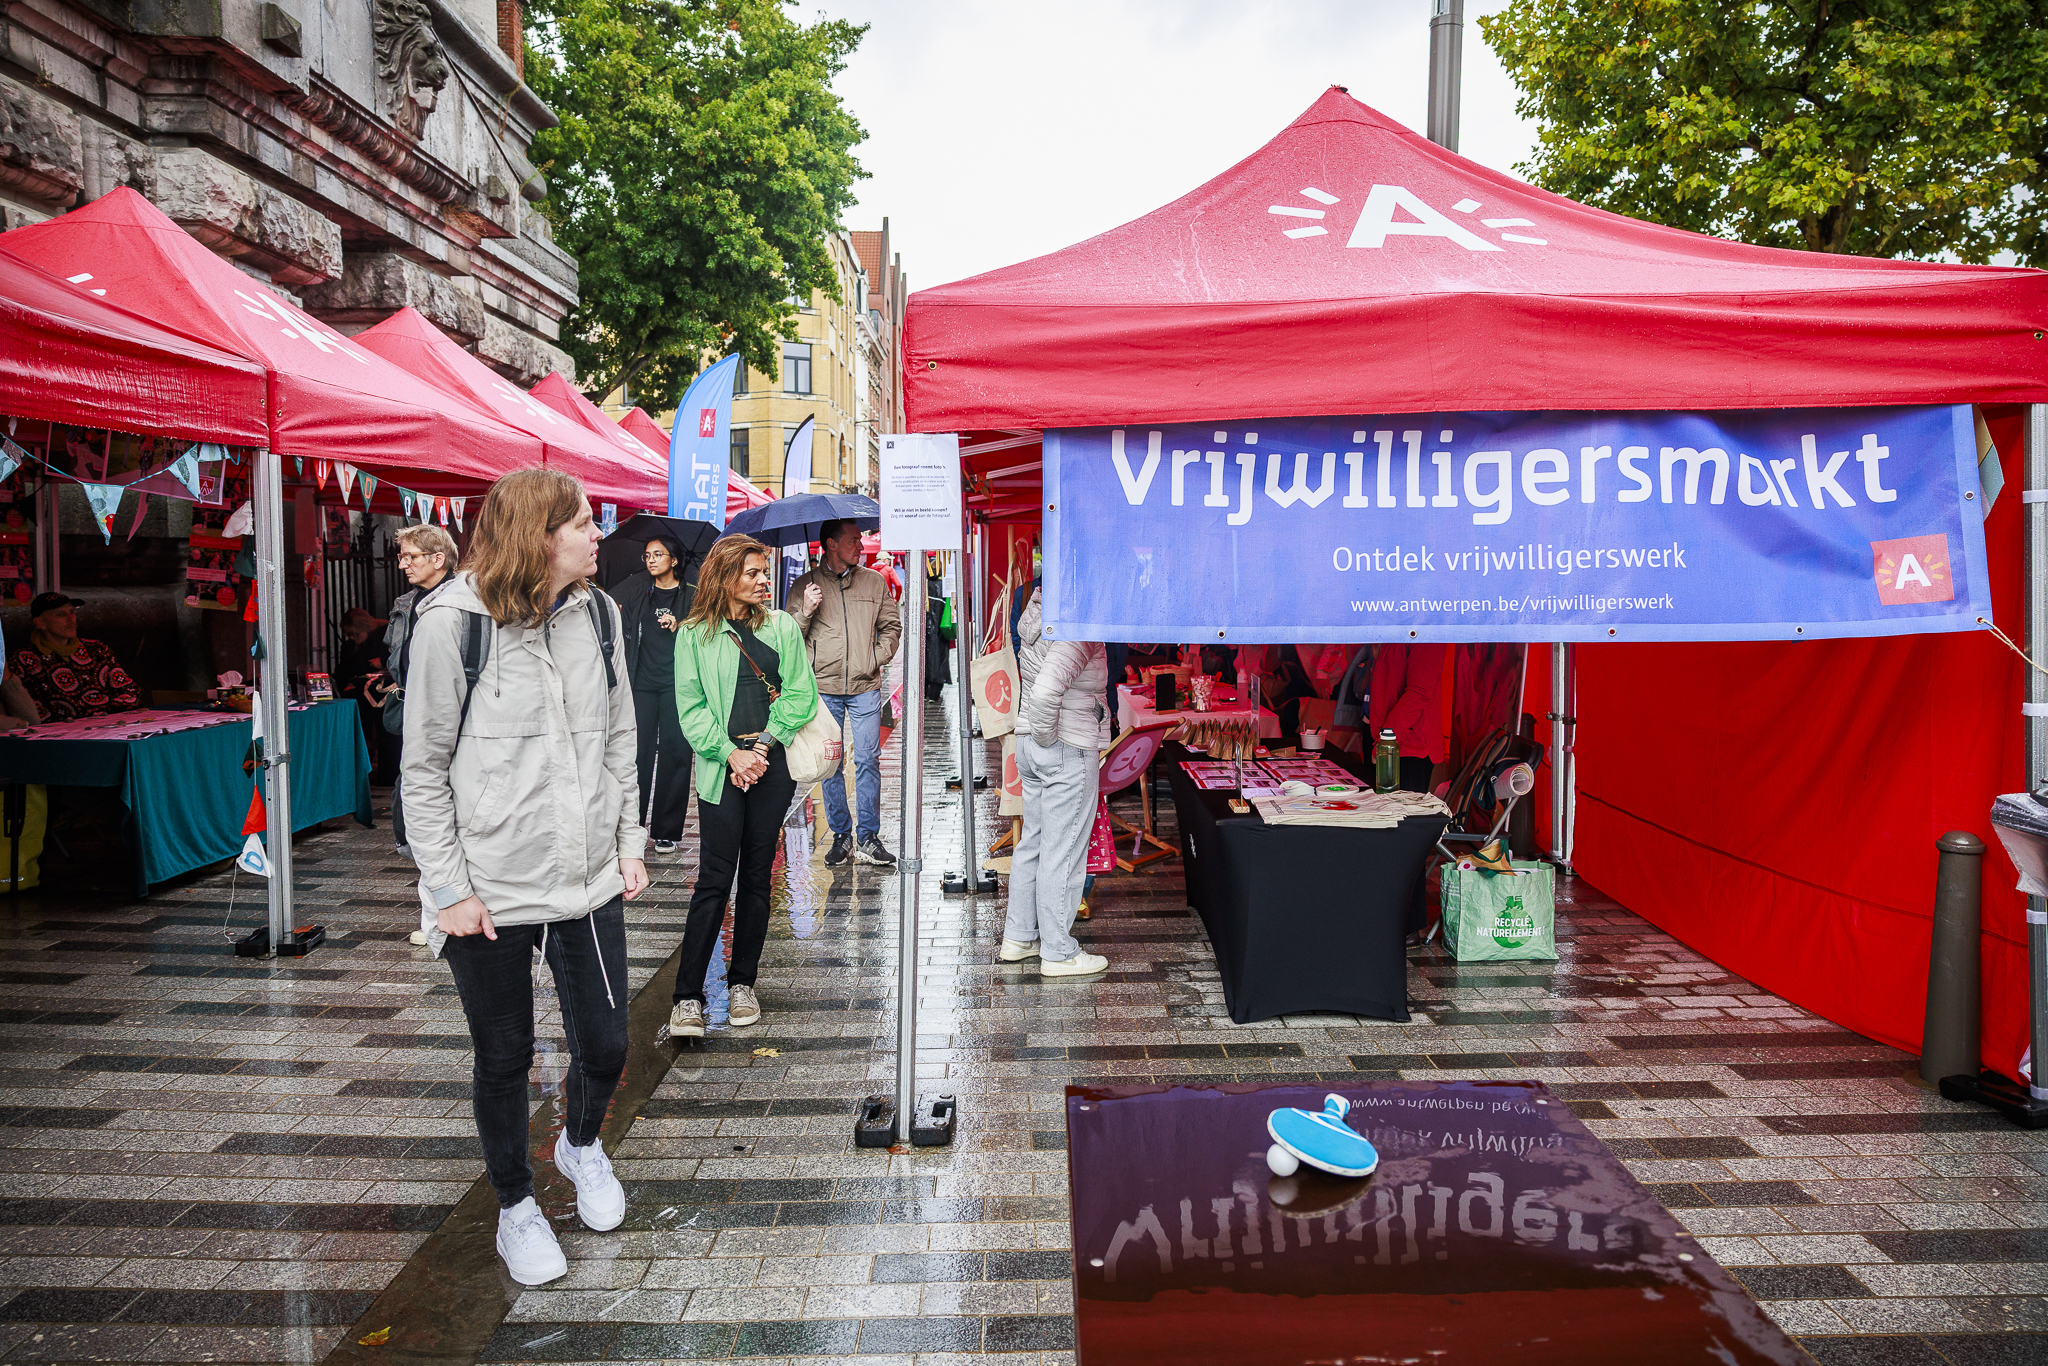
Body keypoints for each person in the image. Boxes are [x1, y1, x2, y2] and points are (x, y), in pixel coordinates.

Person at [398, 468, 645, 1288]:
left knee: (607, 1042)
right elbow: (423, 772)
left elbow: (621, 739)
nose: (596, 534)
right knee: (503, 1055)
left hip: (587, 876)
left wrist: (630, 841)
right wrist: (449, 889)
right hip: (489, 888)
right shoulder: (450, 625)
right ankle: (515, 1203)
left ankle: (579, 1145)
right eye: (581, 523)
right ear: (540, 535)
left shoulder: (601, 614)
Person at [668, 534, 820, 1038]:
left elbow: (800, 692)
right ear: (725, 576)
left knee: (757, 875)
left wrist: (760, 748)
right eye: (751, 572)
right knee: (714, 877)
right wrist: (729, 752)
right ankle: (687, 996)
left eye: (763, 571)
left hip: (770, 765)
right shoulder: (694, 633)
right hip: (721, 768)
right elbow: (690, 708)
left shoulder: (781, 627)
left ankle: (742, 984)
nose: (763, 580)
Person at [998, 585, 1110, 977]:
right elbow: (1047, 691)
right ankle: (1059, 952)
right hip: (1062, 743)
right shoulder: (1076, 618)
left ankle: (1019, 937)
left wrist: (1039, 736)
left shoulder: (1039, 608)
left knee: (1034, 842)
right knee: (1062, 851)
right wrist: (1050, 738)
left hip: (1028, 741)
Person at [790, 519, 900, 867]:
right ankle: (842, 835)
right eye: (853, 540)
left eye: (861, 540)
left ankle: (868, 837)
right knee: (830, 763)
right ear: (831, 545)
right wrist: (805, 610)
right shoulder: (804, 585)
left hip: (865, 685)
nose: (861, 546)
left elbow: (891, 626)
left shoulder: (874, 581)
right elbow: (789, 636)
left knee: (868, 760)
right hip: (823, 688)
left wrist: (876, 657)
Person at [607, 535, 696, 854]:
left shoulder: (692, 595)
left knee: (676, 755)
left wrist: (681, 626)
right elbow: (614, 616)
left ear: (674, 560)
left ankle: (666, 831)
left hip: (677, 686)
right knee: (636, 757)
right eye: (647, 555)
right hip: (641, 684)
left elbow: (704, 631)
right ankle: (632, 825)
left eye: (658, 554)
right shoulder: (635, 589)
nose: (651, 560)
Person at [9, 593, 139, 722]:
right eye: (60, 614)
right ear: (40, 622)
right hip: (61, 737)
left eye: (72, 612)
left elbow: (128, 689)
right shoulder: (24, 660)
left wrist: (108, 716)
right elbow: (30, 708)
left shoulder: (97, 649)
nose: (71, 619)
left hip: (109, 727)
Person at [1369, 643, 1449, 793]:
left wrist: (1386, 742)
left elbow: (1420, 693)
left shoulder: (1427, 627)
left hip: (1408, 746)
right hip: (1388, 737)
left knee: (1402, 814)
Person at [337, 606, 393, 782]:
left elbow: (401, 656)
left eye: (354, 634)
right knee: (361, 732)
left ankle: (387, 775)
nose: (353, 639)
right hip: (360, 696)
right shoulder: (349, 646)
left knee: (386, 735)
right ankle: (362, 775)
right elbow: (344, 669)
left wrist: (384, 661)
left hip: (382, 694)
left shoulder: (385, 635)